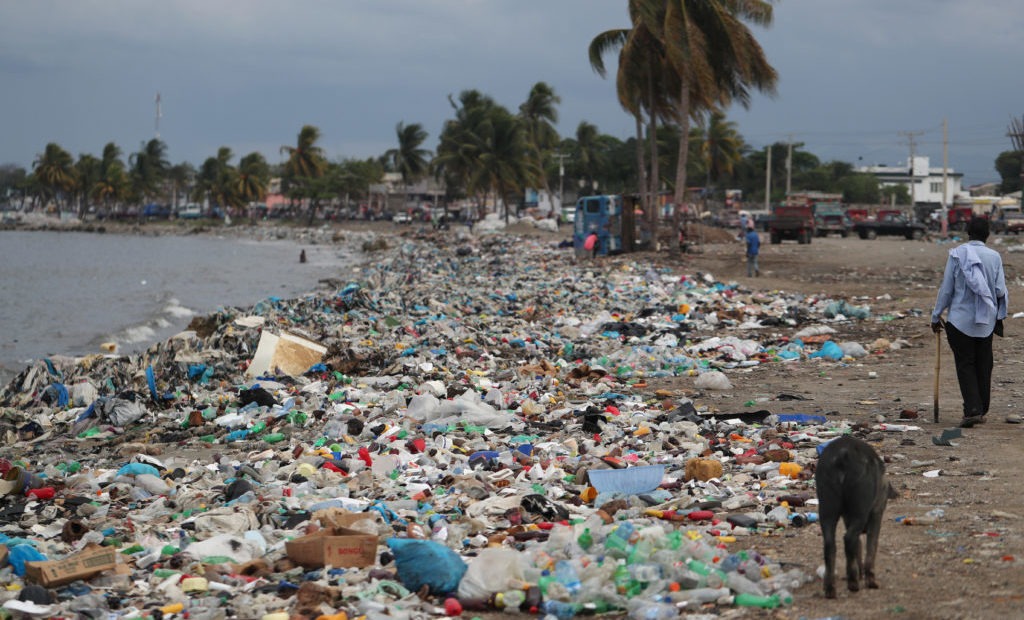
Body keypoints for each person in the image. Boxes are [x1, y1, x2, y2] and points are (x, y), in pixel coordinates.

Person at [931, 217, 1007, 427]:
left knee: (965, 364)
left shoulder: (957, 254)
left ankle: (973, 409)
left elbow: (947, 289)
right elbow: (1000, 290)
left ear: (967, 232)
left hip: (959, 320)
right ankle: (980, 408)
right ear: (987, 235)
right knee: (984, 365)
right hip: (986, 322)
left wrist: (936, 316)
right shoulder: (995, 257)